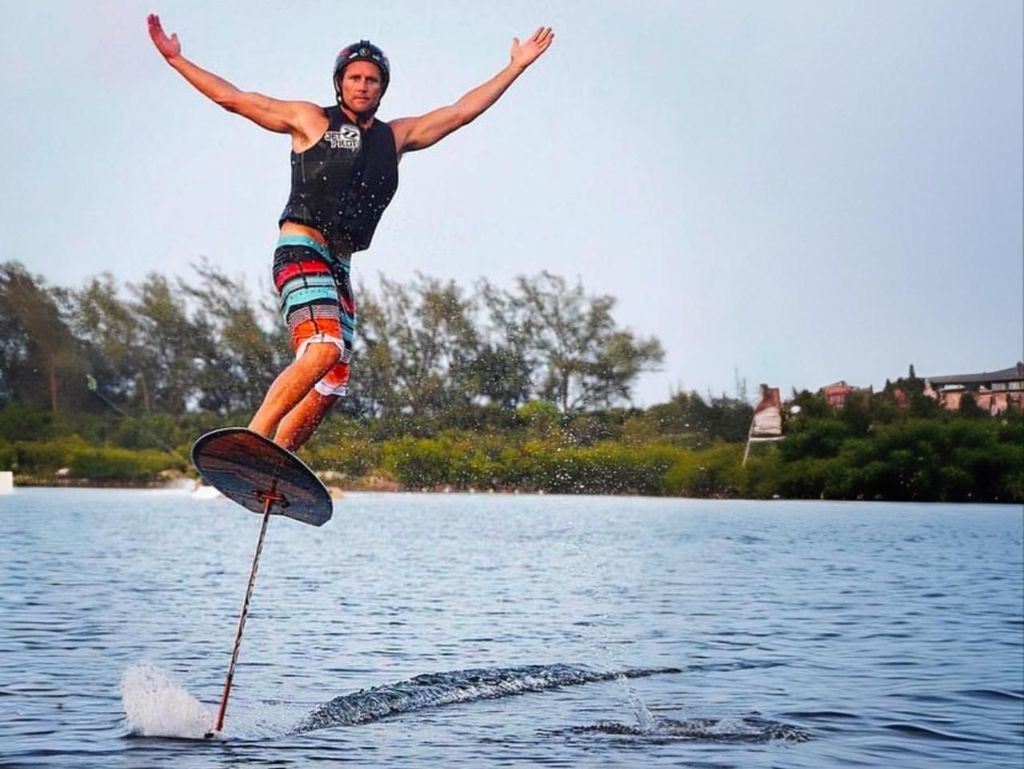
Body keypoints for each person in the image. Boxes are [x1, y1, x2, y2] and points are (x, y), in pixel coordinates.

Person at [146, 14, 554, 452]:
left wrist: (515, 67)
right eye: (355, 78)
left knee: (334, 378)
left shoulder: (396, 137)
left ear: (383, 87)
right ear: (340, 83)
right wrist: (176, 60)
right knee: (322, 350)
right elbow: (234, 98)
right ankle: (253, 440)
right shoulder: (310, 120)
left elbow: (461, 112)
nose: (363, 85)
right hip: (301, 249)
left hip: (339, 266)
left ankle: (276, 463)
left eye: (373, 80)